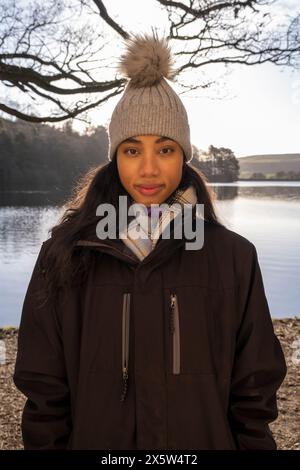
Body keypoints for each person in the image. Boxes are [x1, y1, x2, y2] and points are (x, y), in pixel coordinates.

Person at [13, 32, 286, 450]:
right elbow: (44, 389)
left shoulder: (234, 257)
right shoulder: (63, 254)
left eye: (165, 148)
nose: (149, 169)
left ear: (184, 157)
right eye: (131, 150)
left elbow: (255, 391)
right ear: (114, 158)